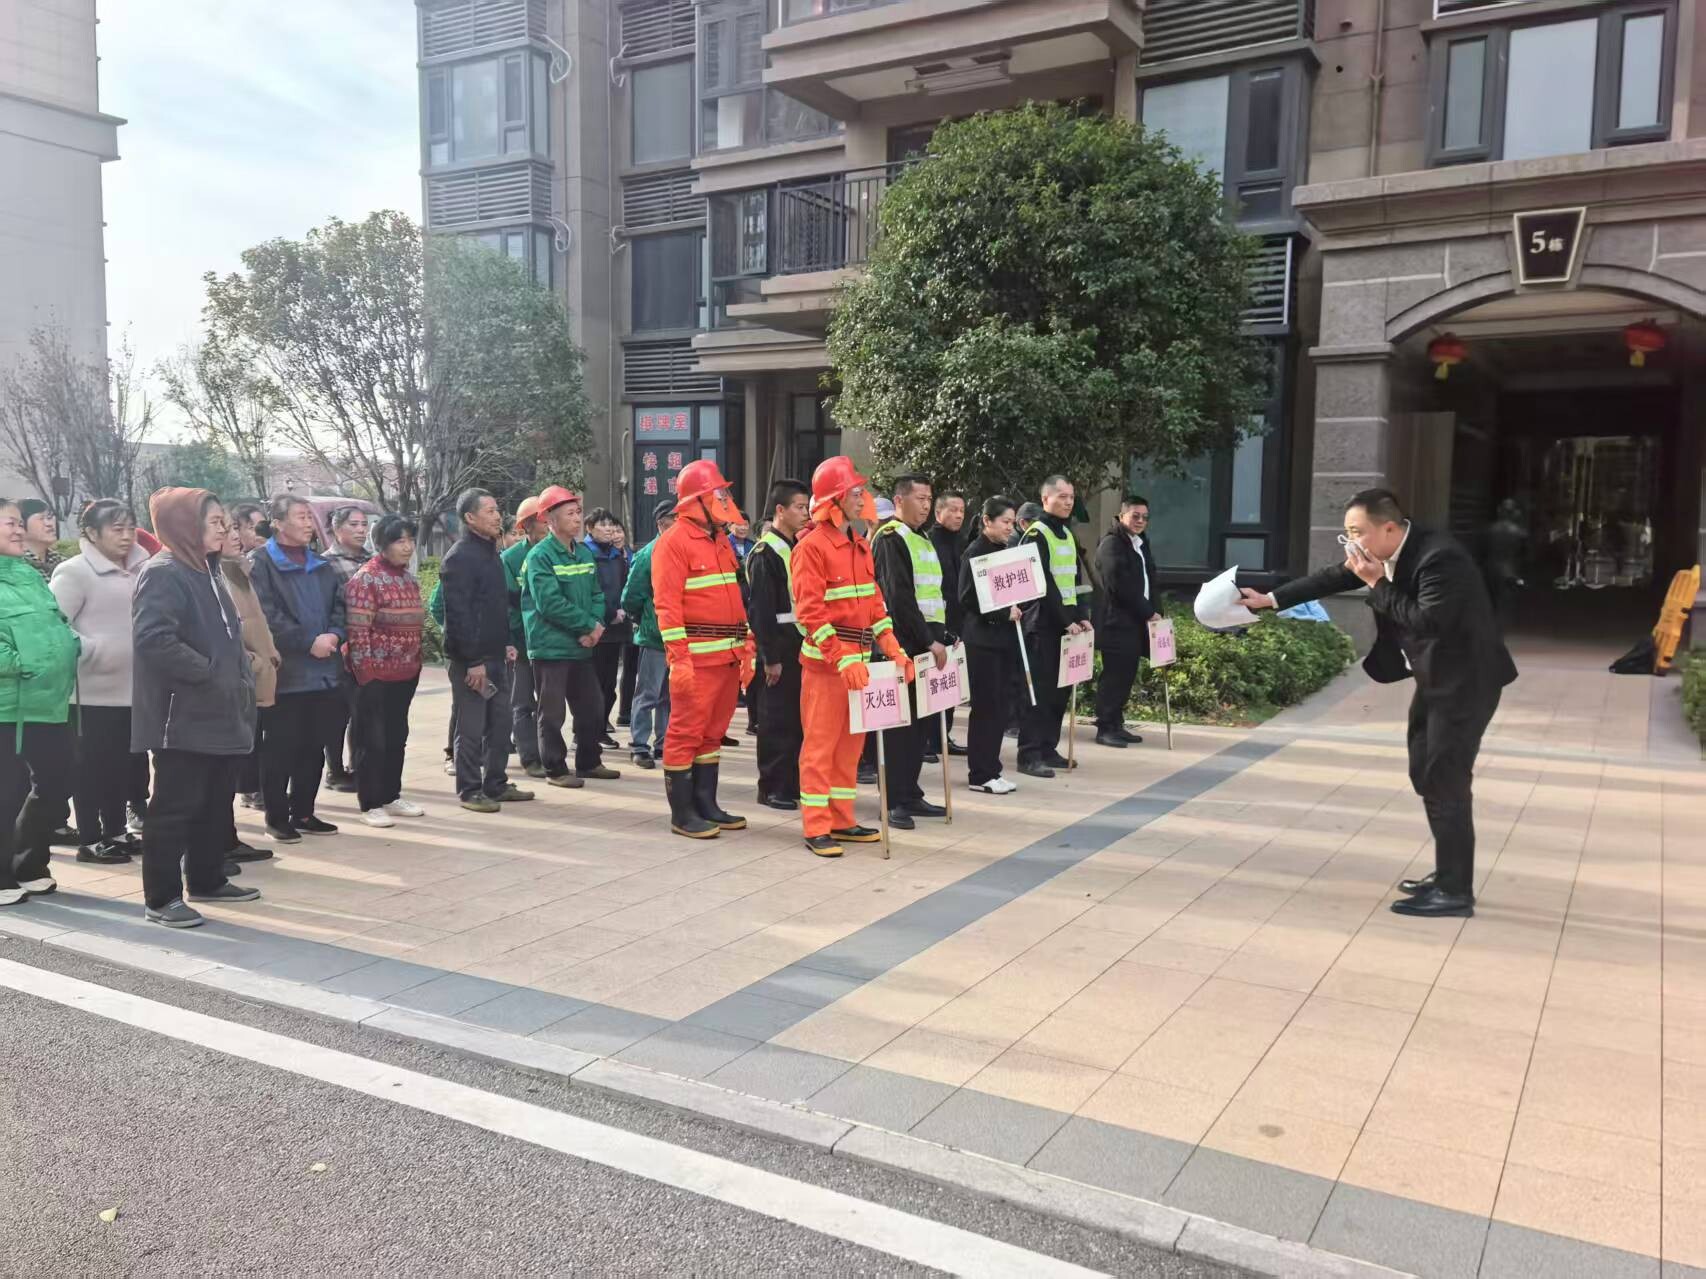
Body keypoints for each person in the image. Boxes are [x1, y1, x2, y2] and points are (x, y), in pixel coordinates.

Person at [1240, 488, 1518, 918]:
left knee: (1444, 776)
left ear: (1389, 527)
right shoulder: (1387, 552)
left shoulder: (1439, 559)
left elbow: (1427, 622)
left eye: (1358, 532)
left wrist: (1376, 582)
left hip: (1466, 682)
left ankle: (1455, 890)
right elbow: (1333, 577)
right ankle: (1449, 871)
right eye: (1347, 532)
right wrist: (1271, 600)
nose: (1352, 543)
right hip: (1438, 679)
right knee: (1424, 768)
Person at [131, 488, 260, 928]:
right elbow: (154, 639)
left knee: (214, 802)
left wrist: (238, 675)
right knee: (174, 806)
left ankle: (207, 878)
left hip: (221, 710)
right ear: (186, 527)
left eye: (225, 522)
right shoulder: (164, 572)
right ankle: (161, 898)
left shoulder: (207, 569)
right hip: (183, 713)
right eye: (215, 523)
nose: (225, 530)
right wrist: (209, 672)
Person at [792, 457, 915, 858]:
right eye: (855, 492)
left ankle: (842, 818)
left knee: (849, 747)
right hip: (828, 667)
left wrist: (894, 650)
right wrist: (842, 658)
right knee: (821, 747)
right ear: (835, 499)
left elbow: (875, 606)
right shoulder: (811, 547)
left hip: (860, 663)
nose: (862, 496)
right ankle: (816, 826)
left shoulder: (860, 544)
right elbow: (810, 613)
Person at [651, 460, 754, 839]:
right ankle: (683, 813)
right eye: (719, 493)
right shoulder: (674, 543)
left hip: (726, 657)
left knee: (712, 733)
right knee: (685, 732)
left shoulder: (720, 539)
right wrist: (679, 661)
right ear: (699, 499)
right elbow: (668, 607)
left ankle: (706, 804)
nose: (726, 499)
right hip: (696, 658)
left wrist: (747, 646)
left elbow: (736, 595)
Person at [50, 500, 148, 865]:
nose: (125, 536)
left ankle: (117, 832)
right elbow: (56, 627)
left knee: (123, 767)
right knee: (91, 770)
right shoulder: (74, 573)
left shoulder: (143, 570)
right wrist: (94, 651)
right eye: (116, 529)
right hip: (89, 694)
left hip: (134, 691)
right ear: (91, 533)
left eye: (130, 527)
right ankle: (90, 840)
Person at [248, 494, 346, 842]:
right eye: (301, 516)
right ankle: (277, 816)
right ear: (277, 523)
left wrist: (334, 635)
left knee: (314, 747)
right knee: (280, 748)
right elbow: (265, 617)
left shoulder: (321, 564)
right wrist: (308, 641)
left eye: (310, 517)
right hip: (285, 673)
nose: (309, 523)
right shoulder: (259, 564)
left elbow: (340, 606)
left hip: (323, 673)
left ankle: (304, 811)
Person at [0, 498, 80, 908]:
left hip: (48, 700)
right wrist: (21, 663)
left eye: (18, 523)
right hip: (7, 706)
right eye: (10, 523)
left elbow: (54, 623)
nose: (18, 530)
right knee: (6, 791)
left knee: (57, 781)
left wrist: (69, 645)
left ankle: (28, 864)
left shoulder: (28, 574)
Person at [441, 488, 531, 813]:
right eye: (490, 511)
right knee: (471, 726)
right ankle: (469, 789)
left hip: (496, 656)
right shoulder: (460, 557)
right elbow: (459, 616)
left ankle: (496, 782)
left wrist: (506, 642)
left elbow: (495, 608)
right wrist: (472, 661)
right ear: (470, 518)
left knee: (500, 722)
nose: (497, 516)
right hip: (473, 662)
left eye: (497, 510)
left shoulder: (491, 552)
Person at [873, 474, 950, 831]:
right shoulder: (891, 538)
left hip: (928, 644)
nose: (926, 505)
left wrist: (945, 636)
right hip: (902, 646)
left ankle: (910, 791)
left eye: (929, 498)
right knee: (899, 727)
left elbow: (932, 595)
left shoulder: (923, 539)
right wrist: (926, 640)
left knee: (920, 725)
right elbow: (898, 598)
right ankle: (892, 800)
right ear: (899, 500)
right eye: (920, 498)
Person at [524, 486, 614, 788]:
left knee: (592, 706)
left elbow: (597, 593)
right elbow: (548, 603)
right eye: (570, 514)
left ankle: (589, 762)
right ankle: (555, 768)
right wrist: (587, 626)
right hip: (551, 647)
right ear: (550, 520)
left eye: (578, 513)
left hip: (581, 646)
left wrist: (596, 625)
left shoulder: (584, 552)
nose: (577, 519)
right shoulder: (541, 556)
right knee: (551, 714)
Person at [345, 514, 425, 828]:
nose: (407, 547)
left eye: (409, 540)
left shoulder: (408, 578)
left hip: (406, 673)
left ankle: (392, 794)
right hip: (374, 675)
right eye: (399, 541)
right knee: (371, 739)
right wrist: (366, 672)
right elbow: (358, 630)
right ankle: (370, 801)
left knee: (396, 736)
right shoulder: (366, 578)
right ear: (382, 545)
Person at [1014, 477, 1092, 778]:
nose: (1069, 502)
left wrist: (1082, 614)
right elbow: (1042, 584)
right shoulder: (1037, 533)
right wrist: (1066, 619)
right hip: (1042, 625)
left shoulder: (1068, 534)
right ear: (1045, 499)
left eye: (1071, 496)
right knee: (1039, 692)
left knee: (1059, 692)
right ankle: (1029, 754)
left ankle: (1048, 746)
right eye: (1062, 496)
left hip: (1067, 626)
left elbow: (1072, 580)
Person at [218, 517, 278, 865]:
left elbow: (254, 620)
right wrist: (252, 659)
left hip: (250, 676)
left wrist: (267, 653)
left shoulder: (235, 569)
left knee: (232, 764)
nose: (235, 537)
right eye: (223, 529)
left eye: (234, 529)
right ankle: (216, 843)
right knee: (221, 770)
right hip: (232, 679)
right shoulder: (210, 575)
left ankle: (227, 838)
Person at [746, 479, 809, 810]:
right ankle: (771, 786)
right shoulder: (765, 552)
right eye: (799, 507)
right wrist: (770, 657)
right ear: (780, 510)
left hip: (800, 645)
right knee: (776, 719)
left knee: (796, 720)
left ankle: (791, 783)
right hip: (779, 648)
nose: (805, 513)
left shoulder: (796, 546)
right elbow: (761, 610)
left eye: (807, 507)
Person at [958, 496, 1023, 795]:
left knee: (999, 706)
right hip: (981, 640)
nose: (1010, 527)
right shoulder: (975, 552)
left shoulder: (1004, 551)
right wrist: (1002, 613)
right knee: (985, 707)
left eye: (1012, 522)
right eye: (1005, 522)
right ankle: (980, 773)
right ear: (987, 521)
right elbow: (968, 598)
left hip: (1003, 639)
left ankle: (992, 769)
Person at [1092, 495, 1154, 749]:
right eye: (1135, 516)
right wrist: (1148, 611)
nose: (1140, 521)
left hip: (1136, 623)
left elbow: (1152, 579)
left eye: (1144, 517)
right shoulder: (1112, 544)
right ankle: (1105, 726)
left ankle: (1116, 723)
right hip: (1116, 623)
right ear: (1122, 515)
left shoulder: (1139, 543)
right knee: (1114, 676)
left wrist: (1155, 613)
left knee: (1126, 675)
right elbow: (1121, 586)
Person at [621, 499, 675, 769]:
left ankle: (664, 742)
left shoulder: (683, 549)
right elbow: (631, 595)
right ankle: (639, 745)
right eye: (673, 519)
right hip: (654, 635)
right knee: (648, 694)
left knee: (669, 694)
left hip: (677, 637)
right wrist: (641, 619)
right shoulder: (649, 554)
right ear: (661, 523)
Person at [321, 505, 370, 792]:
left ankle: (359, 766)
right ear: (337, 529)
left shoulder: (372, 561)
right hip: (340, 648)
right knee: (339, 714)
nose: (361, 530)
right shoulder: (326, 564)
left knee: (362, 711)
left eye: (364, 524)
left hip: (368, 651)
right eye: (354, 524)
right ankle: (335, 770)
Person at [501, 496, 547, 778]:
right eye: (543, 520)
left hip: (549, 644)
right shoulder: (510, 559)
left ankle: (546, 751)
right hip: (521, 643)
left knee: (548, 702)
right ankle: (530, 757)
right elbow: (509, 606)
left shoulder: (556, 554)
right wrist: (521, 635)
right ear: (526, 526)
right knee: (522, 703)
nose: (547, 525)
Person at [585, 507, 632, 748]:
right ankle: (586, 733)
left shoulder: (617, 554)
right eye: (602, 525)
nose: (608, 530)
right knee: (593, 684)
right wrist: (609, 613)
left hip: (616, 628)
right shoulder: (585, 553)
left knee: (608, 685)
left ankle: (600, 727)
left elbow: (625, 584)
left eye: (611, 525)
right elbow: (592, 591)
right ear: (589, 528)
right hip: (597, 626)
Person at [927, 490, 968, 759]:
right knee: (932, 681)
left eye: (962, 511)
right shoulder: (929, 541)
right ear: (938, 512)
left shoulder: (962, 542)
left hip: (958, 620)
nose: (958, 515)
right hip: (934, 622)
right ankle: (927, 741)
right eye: (952, 510)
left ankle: (944, 735)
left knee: (950, 682)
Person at [611, 521, 641, 729]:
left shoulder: (631, 555)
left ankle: (626, 711)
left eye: (619, 530)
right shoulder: (607, 558)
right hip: (613, 619)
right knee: (612, 670)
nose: (616, 535)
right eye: (612, 531)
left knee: (631, 666)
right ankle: (619, 711)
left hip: (632, 619)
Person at [16, 499, 65, 580]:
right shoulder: (14, 567)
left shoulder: (63, 563)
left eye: (49, 517)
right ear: (21, 525)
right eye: (41, 518)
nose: (49, 524)